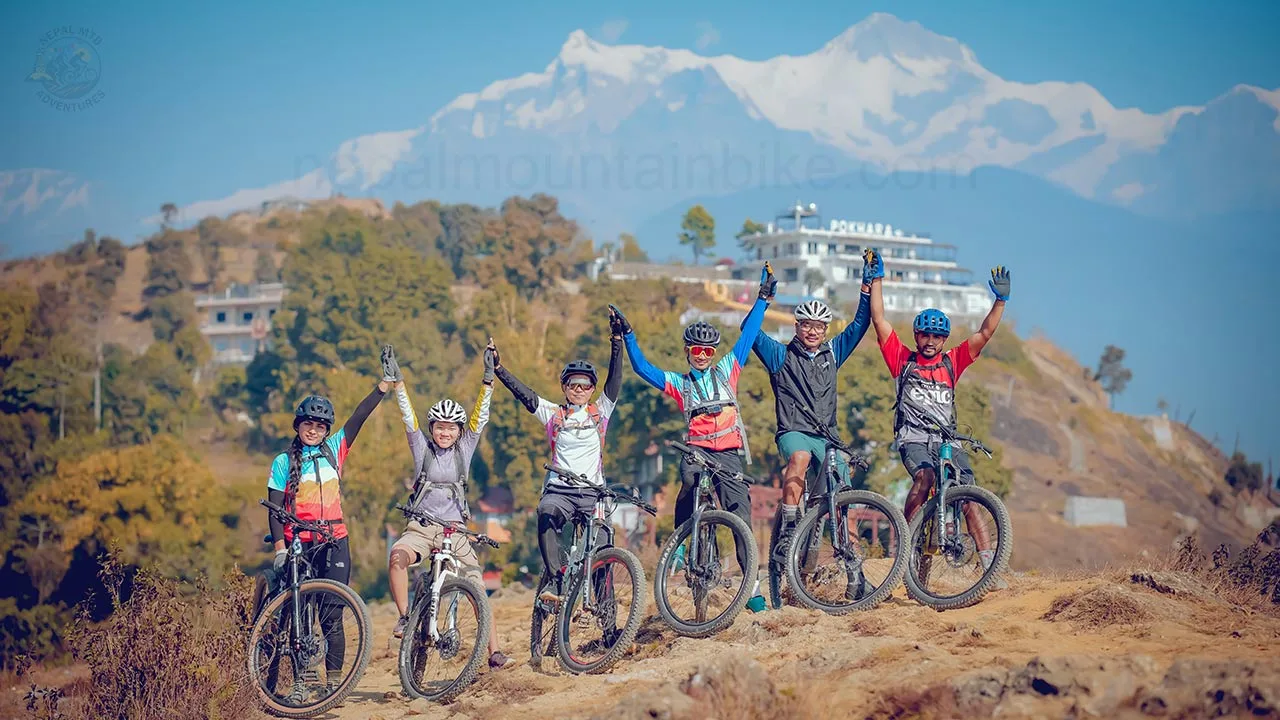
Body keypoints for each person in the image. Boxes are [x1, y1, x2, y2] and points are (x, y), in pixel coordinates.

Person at [613, 263, 776, 612]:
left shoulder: (728, 369)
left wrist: (763, 297)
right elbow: (642, 369)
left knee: (741, 516)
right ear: (687, 352)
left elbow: (747, 335)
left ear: (713, 353)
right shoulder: (680, 383)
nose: (702, 356)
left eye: (707, 351)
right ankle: (684, 542)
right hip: (697, 452)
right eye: (696, 351)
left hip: (729, 453)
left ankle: (752, 589)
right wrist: (628, 335)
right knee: (688, 480)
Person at [868, 257, 1009, 576]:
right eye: (924, 335)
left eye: (936, 337)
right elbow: (879, 320)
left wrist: (1000, 301)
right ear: (916, 336)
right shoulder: (902, 360)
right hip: (913, 439)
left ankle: (989, 565)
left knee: (968, 491)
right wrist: (877, 280)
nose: (930, 342)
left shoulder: (952, 362)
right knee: (925, 477)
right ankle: (904, 546)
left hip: (947, 441)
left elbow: (984, 333)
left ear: (944, 340)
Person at [748, 251, 880, 575]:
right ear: (797, 326)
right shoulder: (780, 354)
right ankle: (791, 525)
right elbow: (748, 333)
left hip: (827, 436)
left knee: (843, 494)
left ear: (824, 329)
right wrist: (763, 299)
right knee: (801, 459)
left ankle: (854, 567)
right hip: (793, 432)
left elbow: (860, 324)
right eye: (806, 325)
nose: (812, 331)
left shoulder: (833, 353)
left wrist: (867, 283)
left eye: (818, 326)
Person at [382, 344, 512, 670]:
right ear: (433, 429)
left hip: (456, 529)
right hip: (422, 527)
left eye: (451, 428)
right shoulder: (421, 448)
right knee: (397, 557)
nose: (445, 432)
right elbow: (407, 417)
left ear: (458, 432)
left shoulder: (465, 448)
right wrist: (399, 385)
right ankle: (404, 617)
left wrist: (487, 379)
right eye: (440, 427)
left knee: (478, 588)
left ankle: (494, 652)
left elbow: (480, 417)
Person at [265, 366, 387, 688]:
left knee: (331, 614)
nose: (314, 430)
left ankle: (333, 683)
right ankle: (302, 676)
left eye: (320, 426)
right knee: (300, 606)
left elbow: (358, 418)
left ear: (326, 430)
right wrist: (279, 549)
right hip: (297, 542)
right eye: (309, 424)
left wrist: (383, 387)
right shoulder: (282, 462)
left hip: (334, 540)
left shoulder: (335, 450)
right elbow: (275, 509)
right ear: (298, 425)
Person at [490, 311, 624, 604]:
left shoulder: (601, 410)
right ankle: (554, 579)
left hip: (593, 494)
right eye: (573, 385)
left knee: (603, 553)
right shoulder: (553, 413)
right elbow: (525, 395)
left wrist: (617, 340)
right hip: (559, 491)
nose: (579, 390)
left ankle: (608, 621)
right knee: (545, 513)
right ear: (564, 387)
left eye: (586, 385)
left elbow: (615, 379)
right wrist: (499, 369)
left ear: (592, 390)